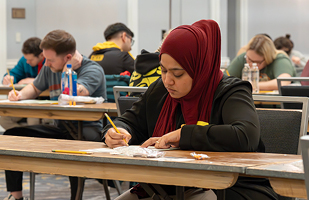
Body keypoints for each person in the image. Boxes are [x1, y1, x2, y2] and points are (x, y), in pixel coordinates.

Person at [102, 20, 278, 200]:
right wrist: (118, 132)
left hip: (232, 186)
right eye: (163, 70)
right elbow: (128, 121)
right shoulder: (160, 90)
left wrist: (183, 135)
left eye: (177, 74)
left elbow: (245, 135)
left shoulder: (231, 91)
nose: (168, 80)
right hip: (168, 186)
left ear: (199, 68)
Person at [3, 30, 107, 200]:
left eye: (50, 60)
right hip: (61, 128)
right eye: (46, 59)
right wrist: (19, 95)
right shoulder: (49, 67)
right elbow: (35, 88)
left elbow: (78, 92)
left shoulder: (93, 69)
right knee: (12, 136)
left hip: (88, 131)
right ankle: (16, 197)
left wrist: (68, 74)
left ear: (67, 58)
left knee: (73, 150)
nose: (47, 64)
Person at [0, 37, 45, 130]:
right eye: (26, 59)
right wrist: (9, 78)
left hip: (42, 103)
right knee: (3, 119)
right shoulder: (24, 60)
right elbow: (14, 73)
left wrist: (33, 80)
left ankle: (32, 136)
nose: (27, 62)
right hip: (25, 101)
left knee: (33, 120)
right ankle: (23, 134)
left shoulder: (50, 63)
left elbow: (51, 80)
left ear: (41, 55)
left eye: (31, 60)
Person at [226, 35, 296, 91]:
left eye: (257, 62)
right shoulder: (243, 57)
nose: (251, 64)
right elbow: (225, 80)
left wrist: (251, 85)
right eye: (249, 59)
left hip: (278, 105)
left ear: (267, 58)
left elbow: (283, 82)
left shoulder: (280, 59)